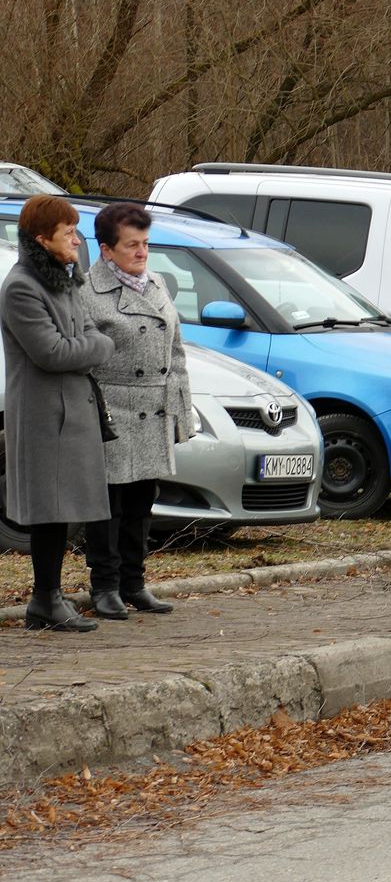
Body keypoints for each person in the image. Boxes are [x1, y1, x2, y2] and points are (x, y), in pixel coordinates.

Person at [3, 195, 115, 632]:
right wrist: (93, 348)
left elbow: (89, 336)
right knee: (48, 509)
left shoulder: (64, 281)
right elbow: (51, 352)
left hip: (72, 411)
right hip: (43, 414)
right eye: (68, 232)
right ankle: (44, 599)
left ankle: (49, 597)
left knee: (63, 508)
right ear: (41, 238)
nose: (77, 239)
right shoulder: (21, 287)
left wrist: (88, 347)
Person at [79, 202, 195, 620]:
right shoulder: (87, 293)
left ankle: (134, 582)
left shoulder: (157, 283)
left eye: (145, 243)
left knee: (141, 505)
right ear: (106, 249)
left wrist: (181, 412)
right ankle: (104, 586)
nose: (142, 252)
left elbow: (176, 353)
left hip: (154, 408)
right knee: (107, 507)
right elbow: (83, 357)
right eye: (132, 245)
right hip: (112, 410)